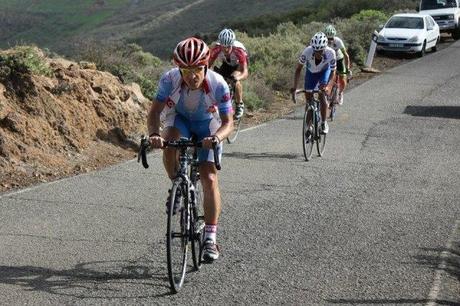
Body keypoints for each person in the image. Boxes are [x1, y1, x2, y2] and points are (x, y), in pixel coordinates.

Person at [147, 37, 234, 262]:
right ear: (179, 69)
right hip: (181, 119)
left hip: (208, 124)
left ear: (205, 66)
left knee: (209, 177)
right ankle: (177, 182)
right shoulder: (169, 79)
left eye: (197, 69)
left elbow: (228, 123)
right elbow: (155, 112)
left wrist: (216, 138)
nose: (192, 75)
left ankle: (210, 238)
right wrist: (155, 134)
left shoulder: (218, 84)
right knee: (170, 141)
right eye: (185, 70)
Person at [291, 32, 336, 134]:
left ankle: (324, 123)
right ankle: (309, 126)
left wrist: (328, 86)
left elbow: (333, 72)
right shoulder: (307, 51)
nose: (318, 53)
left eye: (320, 51)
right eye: (316, 51)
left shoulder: (331, 53)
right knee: (309, 99)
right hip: (311, 73)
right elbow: (298, 69)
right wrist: (295, 87)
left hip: (324, 72)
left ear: (325, 48)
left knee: (322, 95)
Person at [209, 28, 249, 119]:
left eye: (228, 47)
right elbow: (208, 64)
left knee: (234, 78)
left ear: (232, 44)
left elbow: (245, 72)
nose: (226, 49)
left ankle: (239, 105)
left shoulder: (239, 50)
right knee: (219, 80)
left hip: (239, 65)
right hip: (227, 63)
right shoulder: (217, 48)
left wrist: (237, 78)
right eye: (223, 46)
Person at [324, 24, 352, 105]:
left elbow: (346, 55)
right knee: (327, 78)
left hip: (339, 59)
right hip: (329, 60)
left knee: (342, 79)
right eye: (328, 38)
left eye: (331, 38)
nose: (330, 40)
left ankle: (340, 93)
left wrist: (347, 69)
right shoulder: (323, 41)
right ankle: (327, 95)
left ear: (334, 36)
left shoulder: (338, 41)